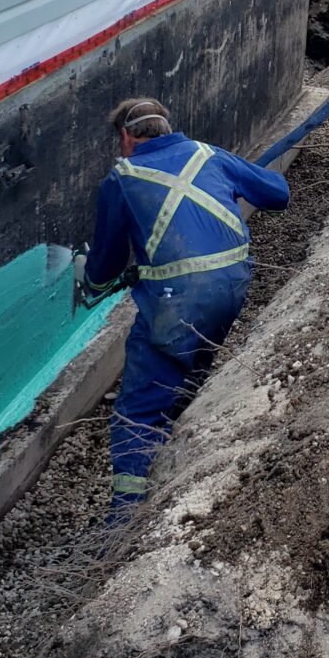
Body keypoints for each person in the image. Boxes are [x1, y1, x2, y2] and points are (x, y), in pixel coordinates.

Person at [82, 97, 289, 516]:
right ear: (165, 125)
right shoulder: (207, 154)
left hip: (178, 303)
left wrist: (89, 282)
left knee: (137, 407)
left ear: (125, 136)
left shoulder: (121, 179)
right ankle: (184, 437)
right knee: (194, 360)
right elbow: (278, 194)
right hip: (232, 287)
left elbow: (103, 267)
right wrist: (236, 178)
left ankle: (126, 516)